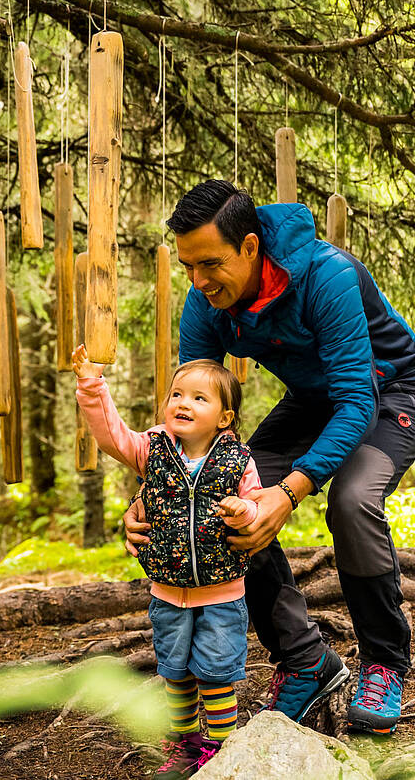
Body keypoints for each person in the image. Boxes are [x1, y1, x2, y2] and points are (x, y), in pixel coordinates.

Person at [124, 179, 415, 736]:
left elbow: (356, 399)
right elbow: (191, 422)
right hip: (312, 400)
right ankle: (306, 660)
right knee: (224, 502)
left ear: (252, 248)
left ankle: (384, 663)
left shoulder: (327, 276)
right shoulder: (205, 299)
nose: (197, 281)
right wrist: (154, 493)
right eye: (187, 266)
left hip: (392, 391)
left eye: (209, 264)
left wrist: (289, 491)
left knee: (352, 501)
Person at [73, 348, 269, 778]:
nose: (183, 403)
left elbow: (257, 507)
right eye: (177, 394)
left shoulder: (238, 460)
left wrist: (244, 510)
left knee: (216, 676)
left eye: (199, 398)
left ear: (224, 417)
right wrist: (92, 383)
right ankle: (184, 744)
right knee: (176, 673)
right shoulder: (152, 450)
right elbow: (110, 435)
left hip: (222, 593)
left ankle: (220, 748)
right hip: (167, 592)